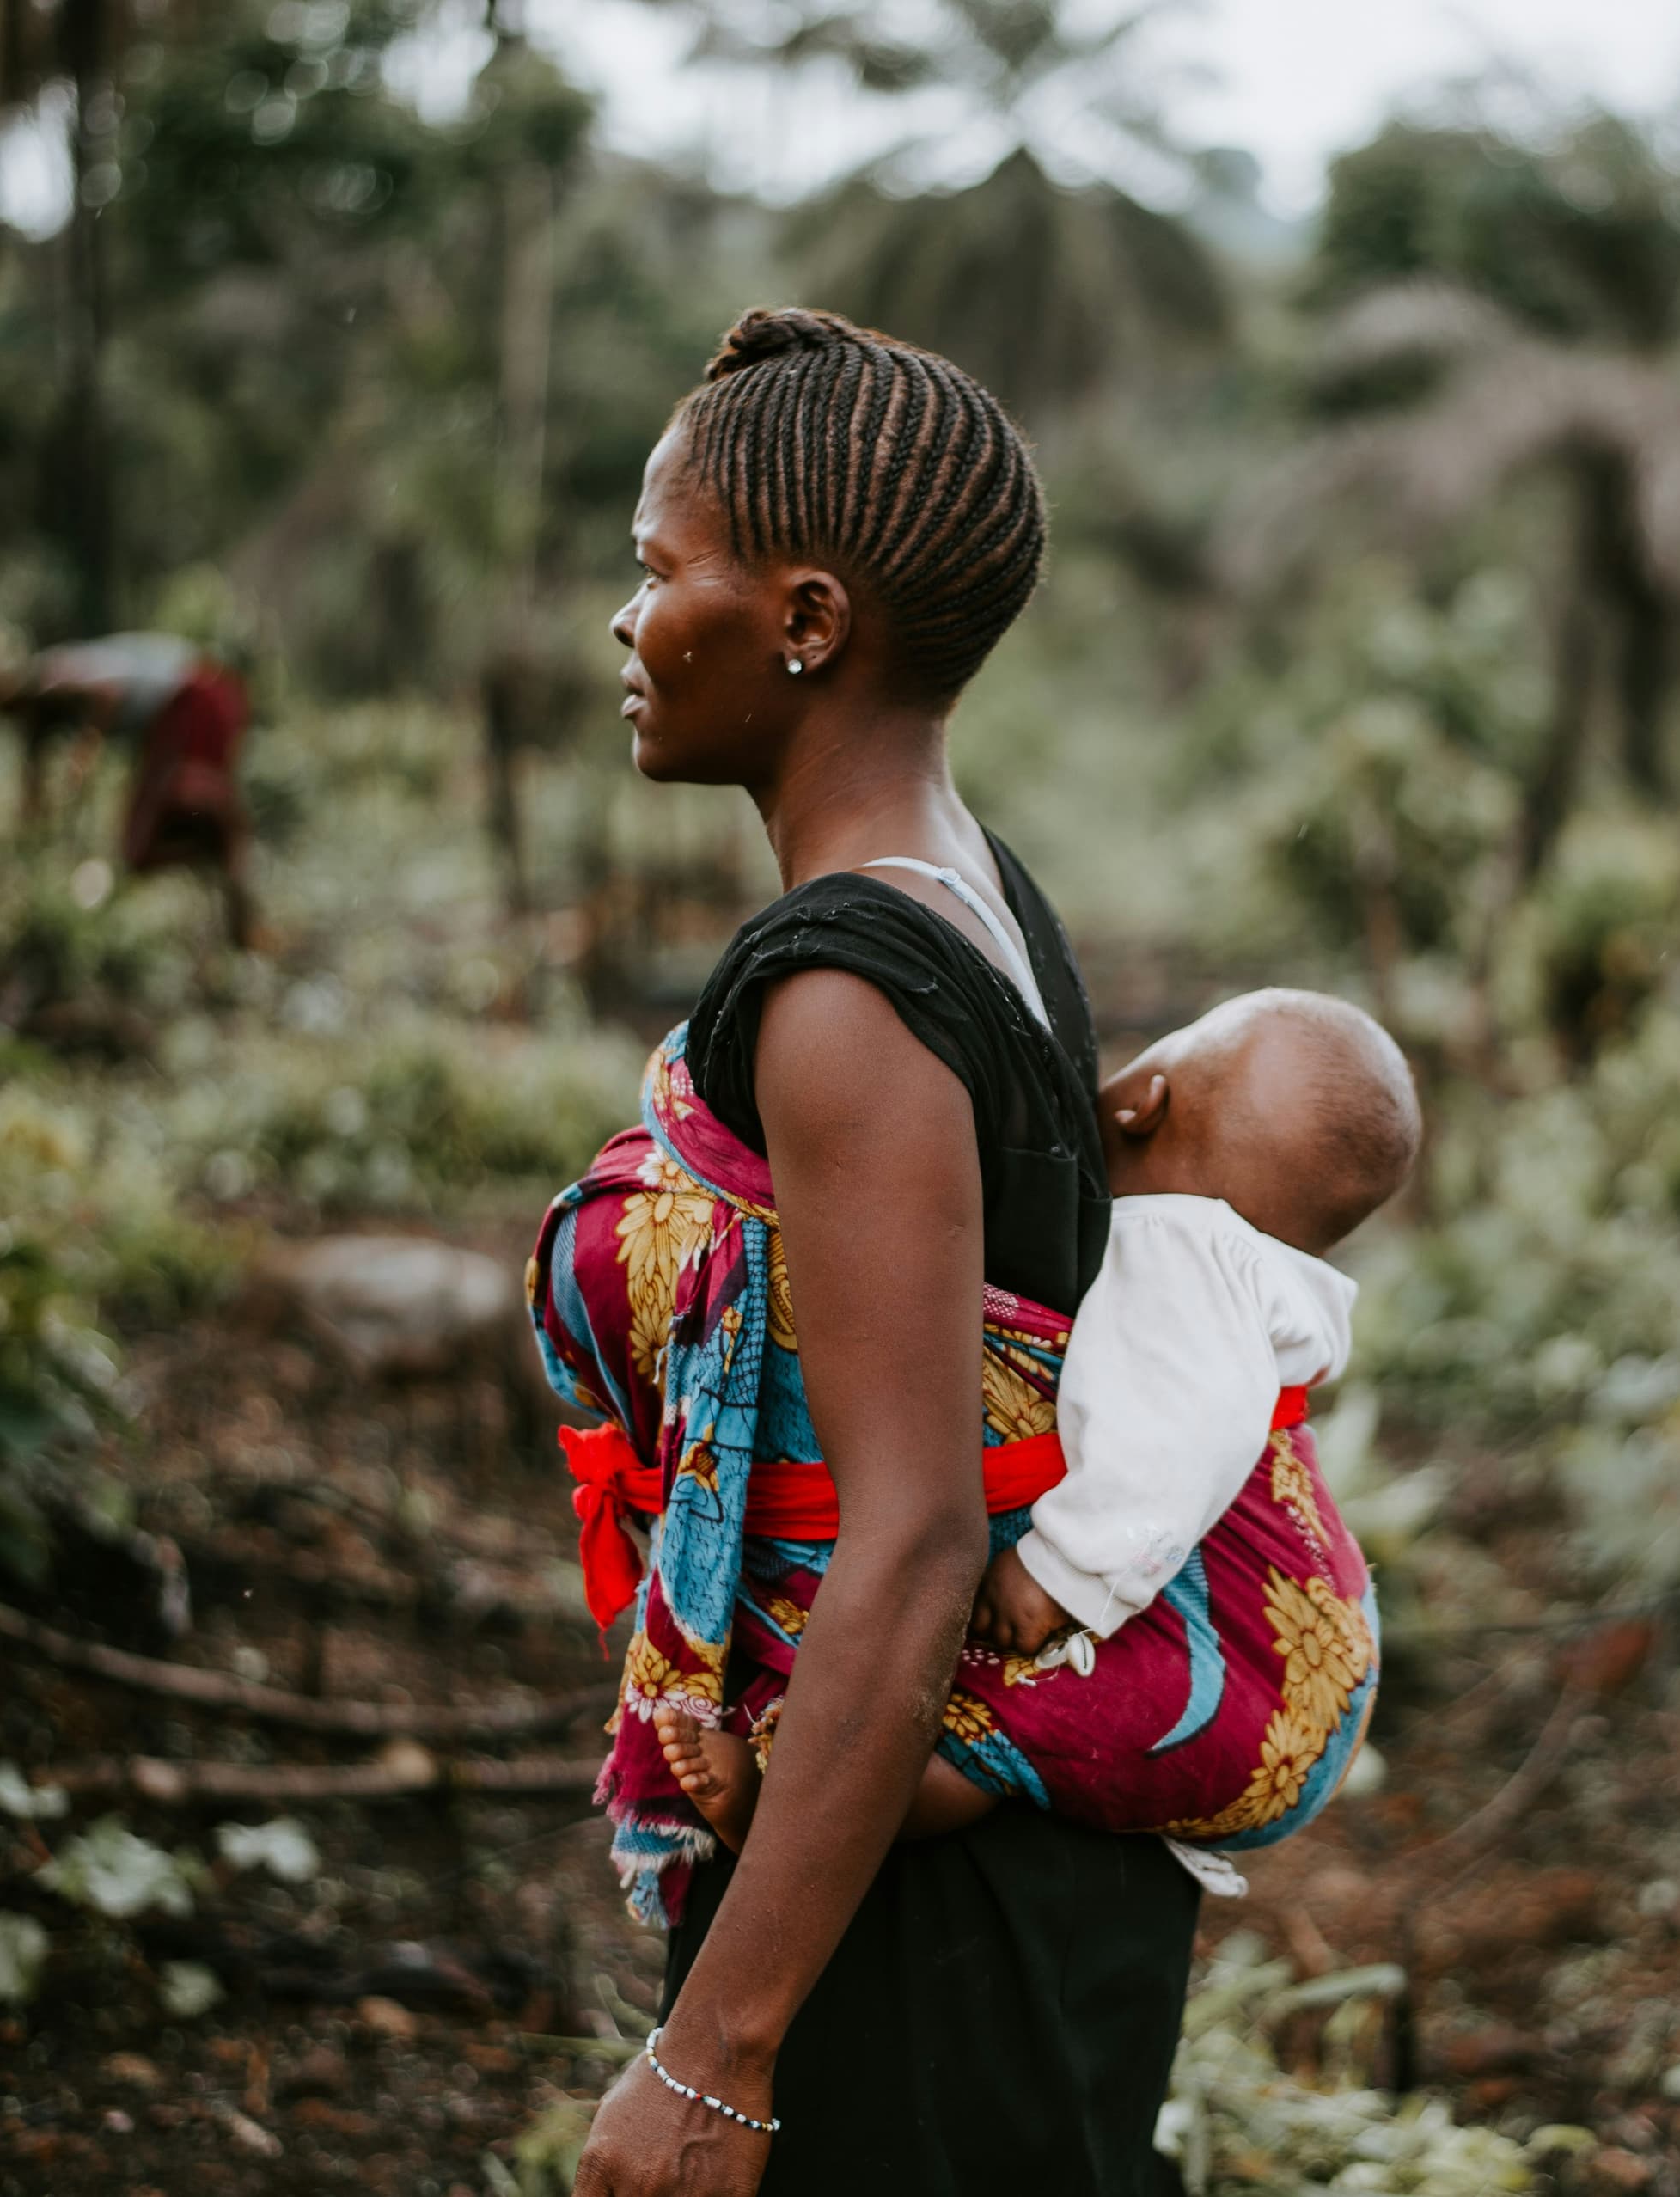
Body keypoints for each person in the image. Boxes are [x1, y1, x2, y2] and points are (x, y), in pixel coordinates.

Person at [527, 306, 1229, 2197]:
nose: (628, 619)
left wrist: (720, 2055)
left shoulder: (848, 989)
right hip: (986, 1864)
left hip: (920, 1933)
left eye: (661, 569)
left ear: (808, 621)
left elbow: (915, 1533)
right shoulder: (980, 893)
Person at [572, 986, 1414, 1860]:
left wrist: (1058, 1575)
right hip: (1311, 1666)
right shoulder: (1248, 1269)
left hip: (1265, 1690)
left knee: (1004, 1728)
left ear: (1141, 1100)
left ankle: (791, 1824)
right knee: (1009, 1719)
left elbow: (1171, 1452)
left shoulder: (1183, 1254)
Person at [0, 633, 260, 948]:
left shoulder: (51, 678)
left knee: (179, 813)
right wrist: (29, 843)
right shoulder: (36, 722)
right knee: (157, 831)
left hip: (195, 695)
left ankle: (235, 905)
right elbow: (32, 789)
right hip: (179, 709)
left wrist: (87, 749)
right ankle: (220, 890)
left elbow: (108, 692)